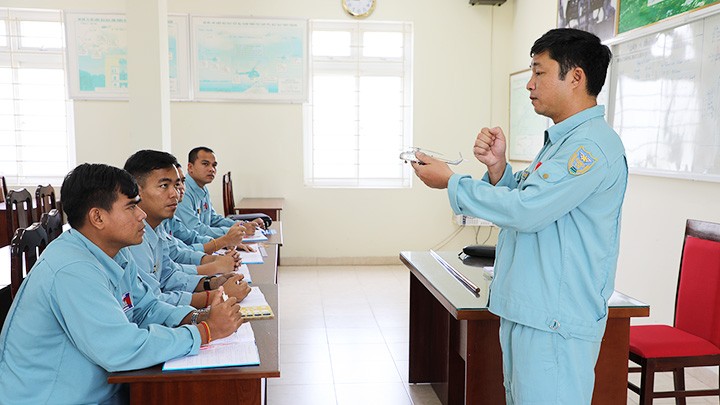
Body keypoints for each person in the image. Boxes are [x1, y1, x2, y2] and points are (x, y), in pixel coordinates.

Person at [412, 28, 627, 404]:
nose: (529, 84)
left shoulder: (589, 147)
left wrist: (452, 182)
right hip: (532, 311)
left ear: (576, 77)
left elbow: (527, 212)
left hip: (555, 320)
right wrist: (498, 169)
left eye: (539, 72)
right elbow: (530, 199)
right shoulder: (563, 142)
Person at [0, 163, 244, 404]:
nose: (142, 214)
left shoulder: (114, 251)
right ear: (97, 217)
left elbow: (145, 307)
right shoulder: (72, 269)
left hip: (108, 388)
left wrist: (200, 316)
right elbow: (121, 349)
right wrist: (205, 332)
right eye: (131, 207)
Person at [123, 150, 251, 309]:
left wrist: (210, 282)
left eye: (176, 184)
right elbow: (151, 305)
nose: (175, 193)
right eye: (164, 186)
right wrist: (216, 295)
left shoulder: (157, 225)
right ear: (137, 190)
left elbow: (168, 276)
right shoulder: (132, 238)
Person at [177, 146, 264, 239]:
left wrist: (242, 224)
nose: (212, 169)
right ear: (190, 167)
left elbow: (214, 219)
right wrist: (237, 230)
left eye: (214, 165)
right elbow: (195, 229)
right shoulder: (183, 192)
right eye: (205, 164)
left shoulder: (203, 188)